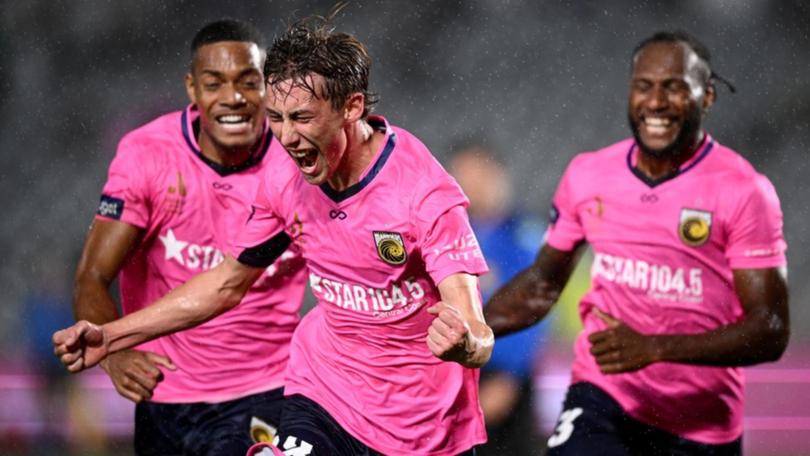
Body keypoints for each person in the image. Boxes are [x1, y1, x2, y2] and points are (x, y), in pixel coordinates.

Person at [55, 11, 493, 456]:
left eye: (302, 117)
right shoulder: (285, 179)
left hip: (422, 421)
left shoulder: (425, 196)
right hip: (325, 394)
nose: (286, 136)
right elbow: (226, 284)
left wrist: (464, 344)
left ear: (352, 107)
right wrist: (113, 337)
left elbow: (478, 332)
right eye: (277, 117)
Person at [485, 30, 789, 456]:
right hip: (603, 398)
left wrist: (656, 347)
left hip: (701, 421)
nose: (656, 102)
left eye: (675, 87)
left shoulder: (744, 191)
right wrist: (471, 327)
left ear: (707, 98)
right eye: (644, 86)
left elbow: (770, 329)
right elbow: (542, 284)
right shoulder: (588, 174)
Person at [70, 19, 306, 455]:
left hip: (268, 389)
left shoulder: (298, 156)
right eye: (214, 83)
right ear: (192, 89)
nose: (233, 98)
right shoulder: (149, 155)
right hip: (165, 397)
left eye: (248, 83)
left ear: (268, 90)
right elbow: (92, 276)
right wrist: (114, 352)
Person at [448, 142, 547, 455]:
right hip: (457, 372)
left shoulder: (524, 234)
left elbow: (534, 308)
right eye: (462, 176)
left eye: (477, 175)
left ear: (497, 175)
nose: (470, 185)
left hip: (503, 373)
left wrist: (510, 376)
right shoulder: (449, 234)